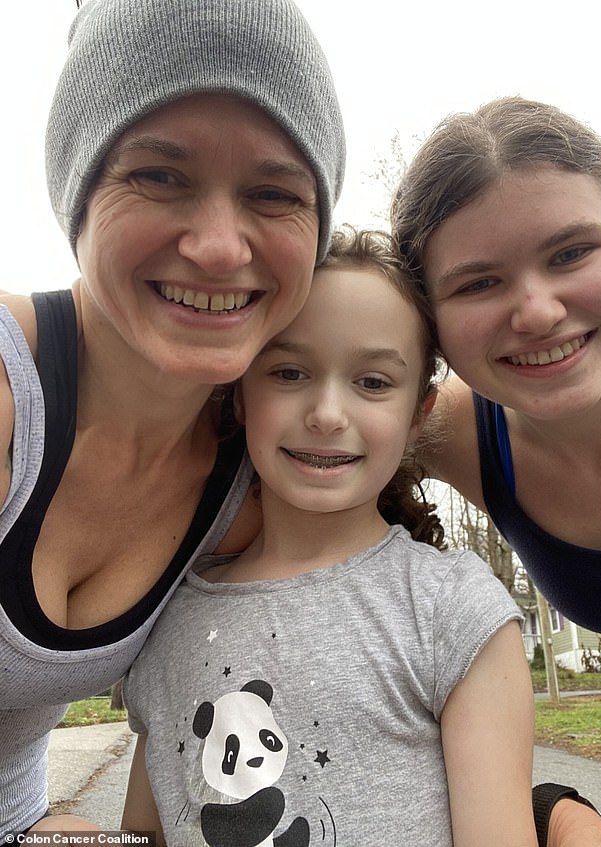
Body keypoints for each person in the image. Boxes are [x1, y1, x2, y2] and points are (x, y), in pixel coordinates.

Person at [0, 0, 344, 840]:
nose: (222, 247)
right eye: (159, 175)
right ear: (77, 194)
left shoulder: (256, 480)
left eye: (274, 192)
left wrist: (553, 806)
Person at [120, 228, 538, 847]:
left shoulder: (451, 609)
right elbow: (140, 834)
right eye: (289, 372)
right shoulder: (168, 611)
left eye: (372, 382)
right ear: (239, 393)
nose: (327, 413)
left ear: (418, 414)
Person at [391, 95, 601, 846]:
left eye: (570, 253)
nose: (535, 309)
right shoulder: (452, 429)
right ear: (429, 319)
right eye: (479, 283)